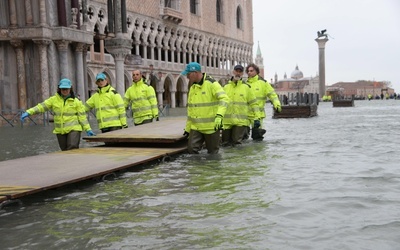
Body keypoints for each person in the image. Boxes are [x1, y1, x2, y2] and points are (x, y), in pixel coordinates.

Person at [20, 78, 95, 151]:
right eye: (63, 89)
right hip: (60, 130)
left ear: (70, 89)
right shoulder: (53, 100)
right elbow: (41, 106)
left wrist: (88, 129)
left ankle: (73, 163)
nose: (65, 91)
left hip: (74, 129)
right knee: (64, 150)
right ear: (59, 89)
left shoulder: (77, 102)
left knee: (72, 148)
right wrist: (29, 112)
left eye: (67, 89)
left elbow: (82, 117)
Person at [182, 62, 230, 154]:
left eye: (188, 74)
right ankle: (198, 168)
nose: (187, 77)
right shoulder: (193, 87)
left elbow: (224, 99)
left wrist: (219, 116)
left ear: (195, 73)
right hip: (196, 127)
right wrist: (188, 128)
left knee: (213, 154)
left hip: (211, 127)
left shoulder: (212, 84)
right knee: (191, 151)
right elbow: (191, 110)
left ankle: (210, 168)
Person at [221, 64, 260, 147]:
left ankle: (239, 159)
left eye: (240, 72)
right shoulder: (225, 87)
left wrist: (257, 118)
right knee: (225, 144)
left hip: (240, 122)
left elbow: (254, 104)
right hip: (226, 122)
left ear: (242, 74)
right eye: (236, 71)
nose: (238, 73)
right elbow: (220, 104)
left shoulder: (246, 88)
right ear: (233, 72)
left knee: (237, 144)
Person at [246, 63, 281, 140]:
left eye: (251, 71)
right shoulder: (245, 83)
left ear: (256, 71)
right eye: (248, 71)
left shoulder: (263, 83)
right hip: (245, 115)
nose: (249, 72)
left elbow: (272, 95)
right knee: (244, 138)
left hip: (258, 116)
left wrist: (277, 105)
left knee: (258, 137)